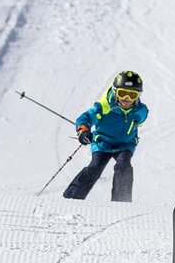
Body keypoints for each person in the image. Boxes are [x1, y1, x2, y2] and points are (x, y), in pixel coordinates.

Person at [62, 71, 148, 202]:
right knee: (95, 168)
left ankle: (121, 201)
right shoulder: (105, 107)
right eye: (122, 93)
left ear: (138, 96)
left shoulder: (141, 111)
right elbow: (86, 117)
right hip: (103, 143)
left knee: (124, 166)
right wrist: (83, 129)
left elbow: (138, 123)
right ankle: (72, 197)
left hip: (125, 145)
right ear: (115, 92)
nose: (126, 99)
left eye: (132, 95)